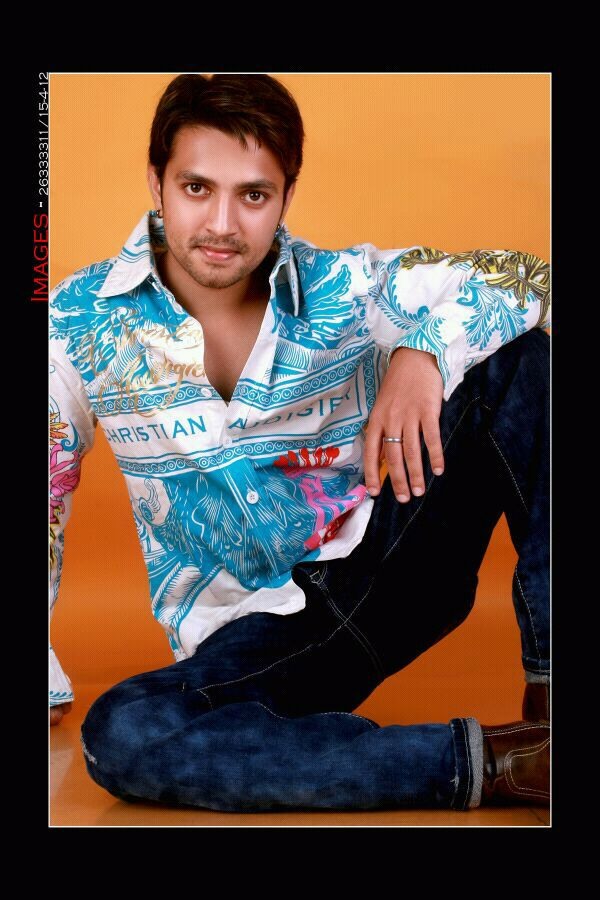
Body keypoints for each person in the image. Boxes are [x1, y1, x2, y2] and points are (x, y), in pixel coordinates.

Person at [49, 73, 550, 812]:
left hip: (390, 569)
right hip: (252, 645)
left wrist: (425, 353)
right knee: (123, 733)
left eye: (253, 195)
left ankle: (554, 699)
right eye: (196, 189)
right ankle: (508, 762)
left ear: (286, 196)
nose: (222, 224)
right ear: (156, 183)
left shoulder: (345, 286)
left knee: (522, 359)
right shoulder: (77, 321)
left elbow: (531, 280)